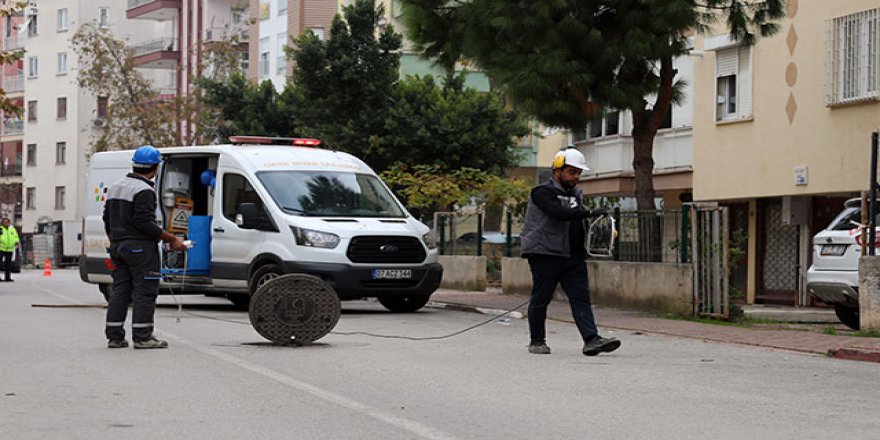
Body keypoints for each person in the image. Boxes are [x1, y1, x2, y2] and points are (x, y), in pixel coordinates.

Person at [520, 146, 621, 356]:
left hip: (572, 255)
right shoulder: (542, 192)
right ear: (557, 170)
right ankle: (537, 341)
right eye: (572, 172)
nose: (576, 177)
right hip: (545, 253)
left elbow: (575, 219)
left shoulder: (576, 195)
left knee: (580, 297)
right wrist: (589, 213)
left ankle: (591, 339)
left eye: (578, 173)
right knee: (541, 298)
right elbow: (558, 213)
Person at [103, 145, 185, 349]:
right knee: (145, 292)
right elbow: (144, 222)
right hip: (140, 250)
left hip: (118, 247)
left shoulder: (116, 187)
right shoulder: (144, 190)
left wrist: (115, 240)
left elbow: (107, 218)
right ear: (155, 167)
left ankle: (114, 336)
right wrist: (171, 239)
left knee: (120, 291)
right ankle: (143, 337)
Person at [0, 217, 19, 282]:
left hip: (9, 249)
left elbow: (16, 236)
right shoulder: (0, 229)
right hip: (1, 248)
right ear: (2, 223)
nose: (6, 223)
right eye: (4, 222)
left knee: (8, 264)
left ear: (9, 223)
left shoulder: (12, 229)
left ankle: (7, 277)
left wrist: (16, 241)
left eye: (7, 222)